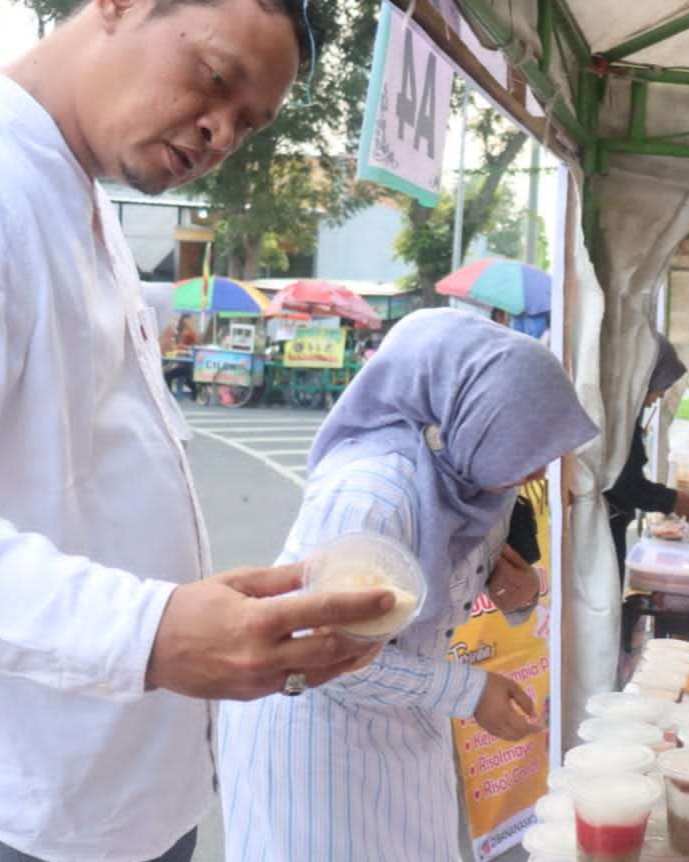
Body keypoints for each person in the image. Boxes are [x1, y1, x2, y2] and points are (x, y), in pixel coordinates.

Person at [0, 3, 398, 860]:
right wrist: (153, 630)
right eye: (216, 78)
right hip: (38, 806)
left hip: (135, 786)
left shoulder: (80, 201)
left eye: (250, 126)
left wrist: (196, 609)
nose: (220, 131)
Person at [218, 309, 598, 862]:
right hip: (315, 733)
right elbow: (316, 649)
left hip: (399, 717)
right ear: (477, 421)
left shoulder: (472, 485)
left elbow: (440, 598)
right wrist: (470, 691)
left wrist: (518, 592)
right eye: (530, 448)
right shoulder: (371, 495)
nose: (541, 473)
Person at [607, 330, 689, 573]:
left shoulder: (625, 409)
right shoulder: (615, 416)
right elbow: (623, 482)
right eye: (660, 386)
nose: (659, 397)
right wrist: (670, 500)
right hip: (604, 525)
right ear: (643, 375)